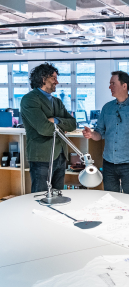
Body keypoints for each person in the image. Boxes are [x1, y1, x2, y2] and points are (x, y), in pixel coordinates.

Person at [83, 71, 129, 195]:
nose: (110, 87)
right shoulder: (107, 108)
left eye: (113, 84)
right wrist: (92, 135)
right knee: (110, 199)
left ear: (124, 86)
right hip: (108, 164)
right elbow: (99, 133)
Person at [21, 63, 77, 193]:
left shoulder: (57, 101)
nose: (57, 82)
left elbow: (73, 124)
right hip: (42, 157)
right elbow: (44, 129)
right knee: (41, 197)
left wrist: (55, 120)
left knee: (58, 196)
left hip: (60, 156)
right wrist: (62, 125)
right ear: (43, 79)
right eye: (54, 78)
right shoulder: (30, 100)